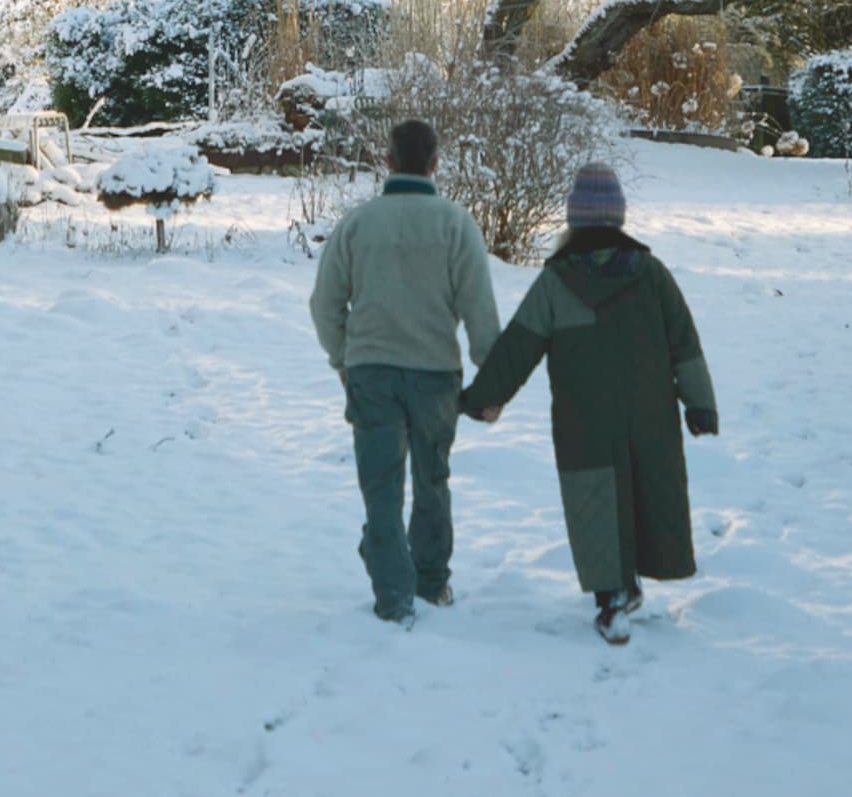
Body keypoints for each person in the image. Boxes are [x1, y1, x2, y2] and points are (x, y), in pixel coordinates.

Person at [459, 162, 719, 645]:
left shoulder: (558, 281)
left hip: (583, 418)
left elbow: (520, 345)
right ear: (617, 217)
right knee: (647, 492)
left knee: (596, 499)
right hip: (650, 413)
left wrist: (484, 399)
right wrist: (699, 405)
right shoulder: (652, 274)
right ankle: (627, 588)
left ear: (574, 220)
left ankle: (612, 597)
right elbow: (685, 344)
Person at [308, 117, 501, 626]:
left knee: (381, 488)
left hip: (371, 372)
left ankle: (393, 599)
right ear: (436, 164)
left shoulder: (357, 224)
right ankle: (432, 585)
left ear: (387, 161)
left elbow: (325, 304)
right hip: (436, 374)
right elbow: (479, 311)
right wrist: (494, 381)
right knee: (432, 479)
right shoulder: (456, 224)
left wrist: (343, 359)